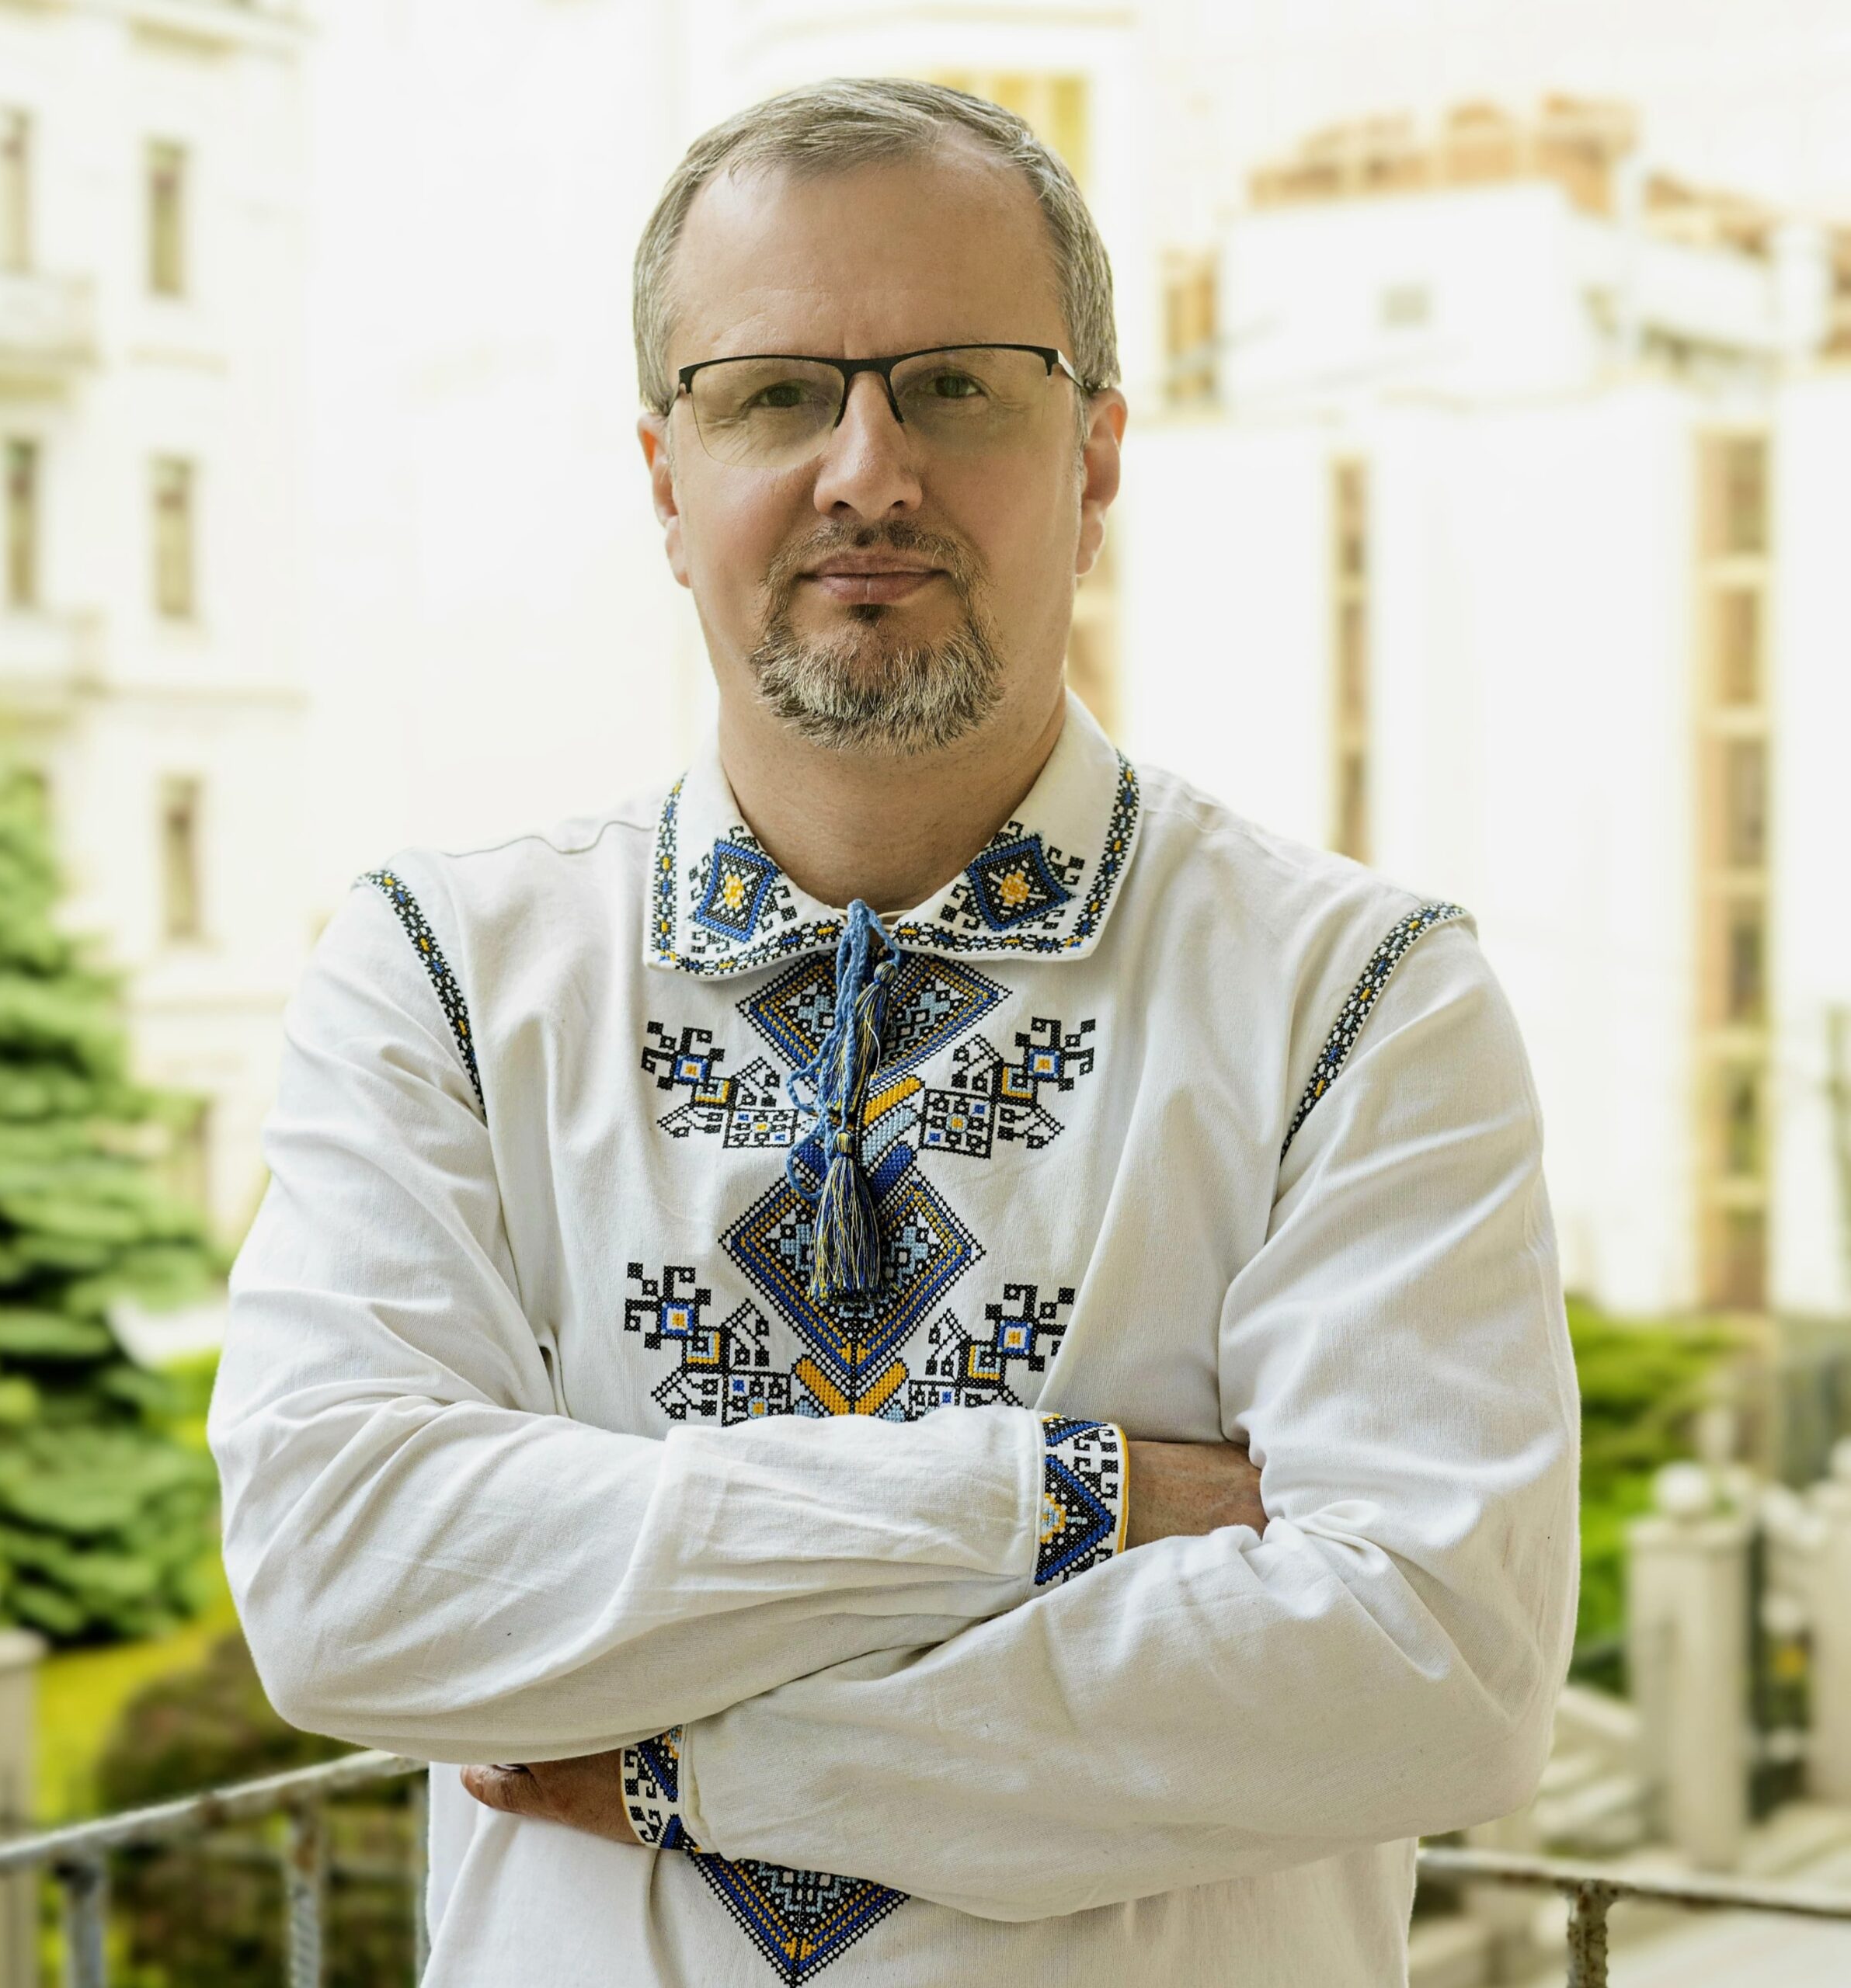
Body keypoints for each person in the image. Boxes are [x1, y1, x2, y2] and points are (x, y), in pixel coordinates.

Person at [210, 77, 1579, 1988]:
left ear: (1094, 458)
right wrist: (1063, 1497)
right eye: (774, 392)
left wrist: (696, 1765)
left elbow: (1430, 1668)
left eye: (954, 386)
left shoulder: (1353, 998)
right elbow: (344, 1579)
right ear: (663, 476)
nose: (866, 470)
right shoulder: (441, 972)